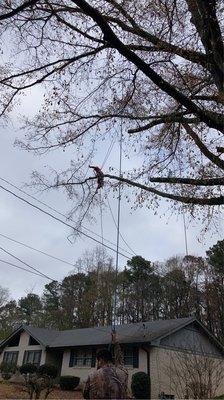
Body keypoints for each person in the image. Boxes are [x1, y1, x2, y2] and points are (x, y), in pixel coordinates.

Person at [83, 332, 128, 399]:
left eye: (97, 361)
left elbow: (85, 394)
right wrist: (115, 342)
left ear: (100, 360)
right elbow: (120, 360)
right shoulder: (123, 372)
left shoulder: (92, 376)